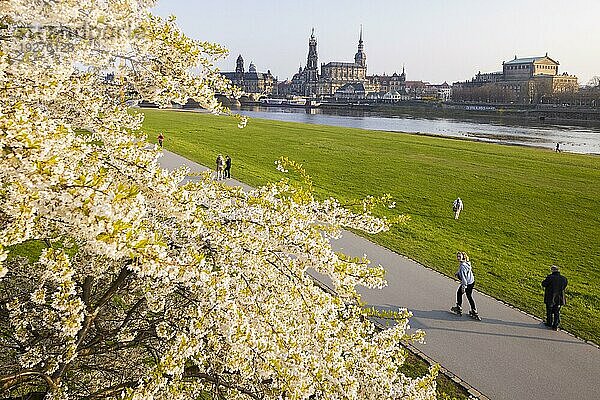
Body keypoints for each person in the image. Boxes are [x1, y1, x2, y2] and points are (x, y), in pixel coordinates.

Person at [451, 251, 480, 320]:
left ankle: (459, 307)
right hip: (472, 282)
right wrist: (458, 273)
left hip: (467, 283)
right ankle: (474, 310)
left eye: (459, 256)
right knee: (469, 296)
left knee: (459, 293)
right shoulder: (467, 263)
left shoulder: (463, 266)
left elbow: (464, 278)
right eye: (457, 256)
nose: (458, 258)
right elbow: (463, 271)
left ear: (463, 257)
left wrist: (464, 287)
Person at [542, 265, 568, 330]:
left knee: (549, 311)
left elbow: (544, 284)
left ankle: (549, 323)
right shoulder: (564, 278)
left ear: (552, 270)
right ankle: (555, 325)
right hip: (560, 298)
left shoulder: (550, 277)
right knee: (557, 312)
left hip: (550, 297)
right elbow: (564, 286)